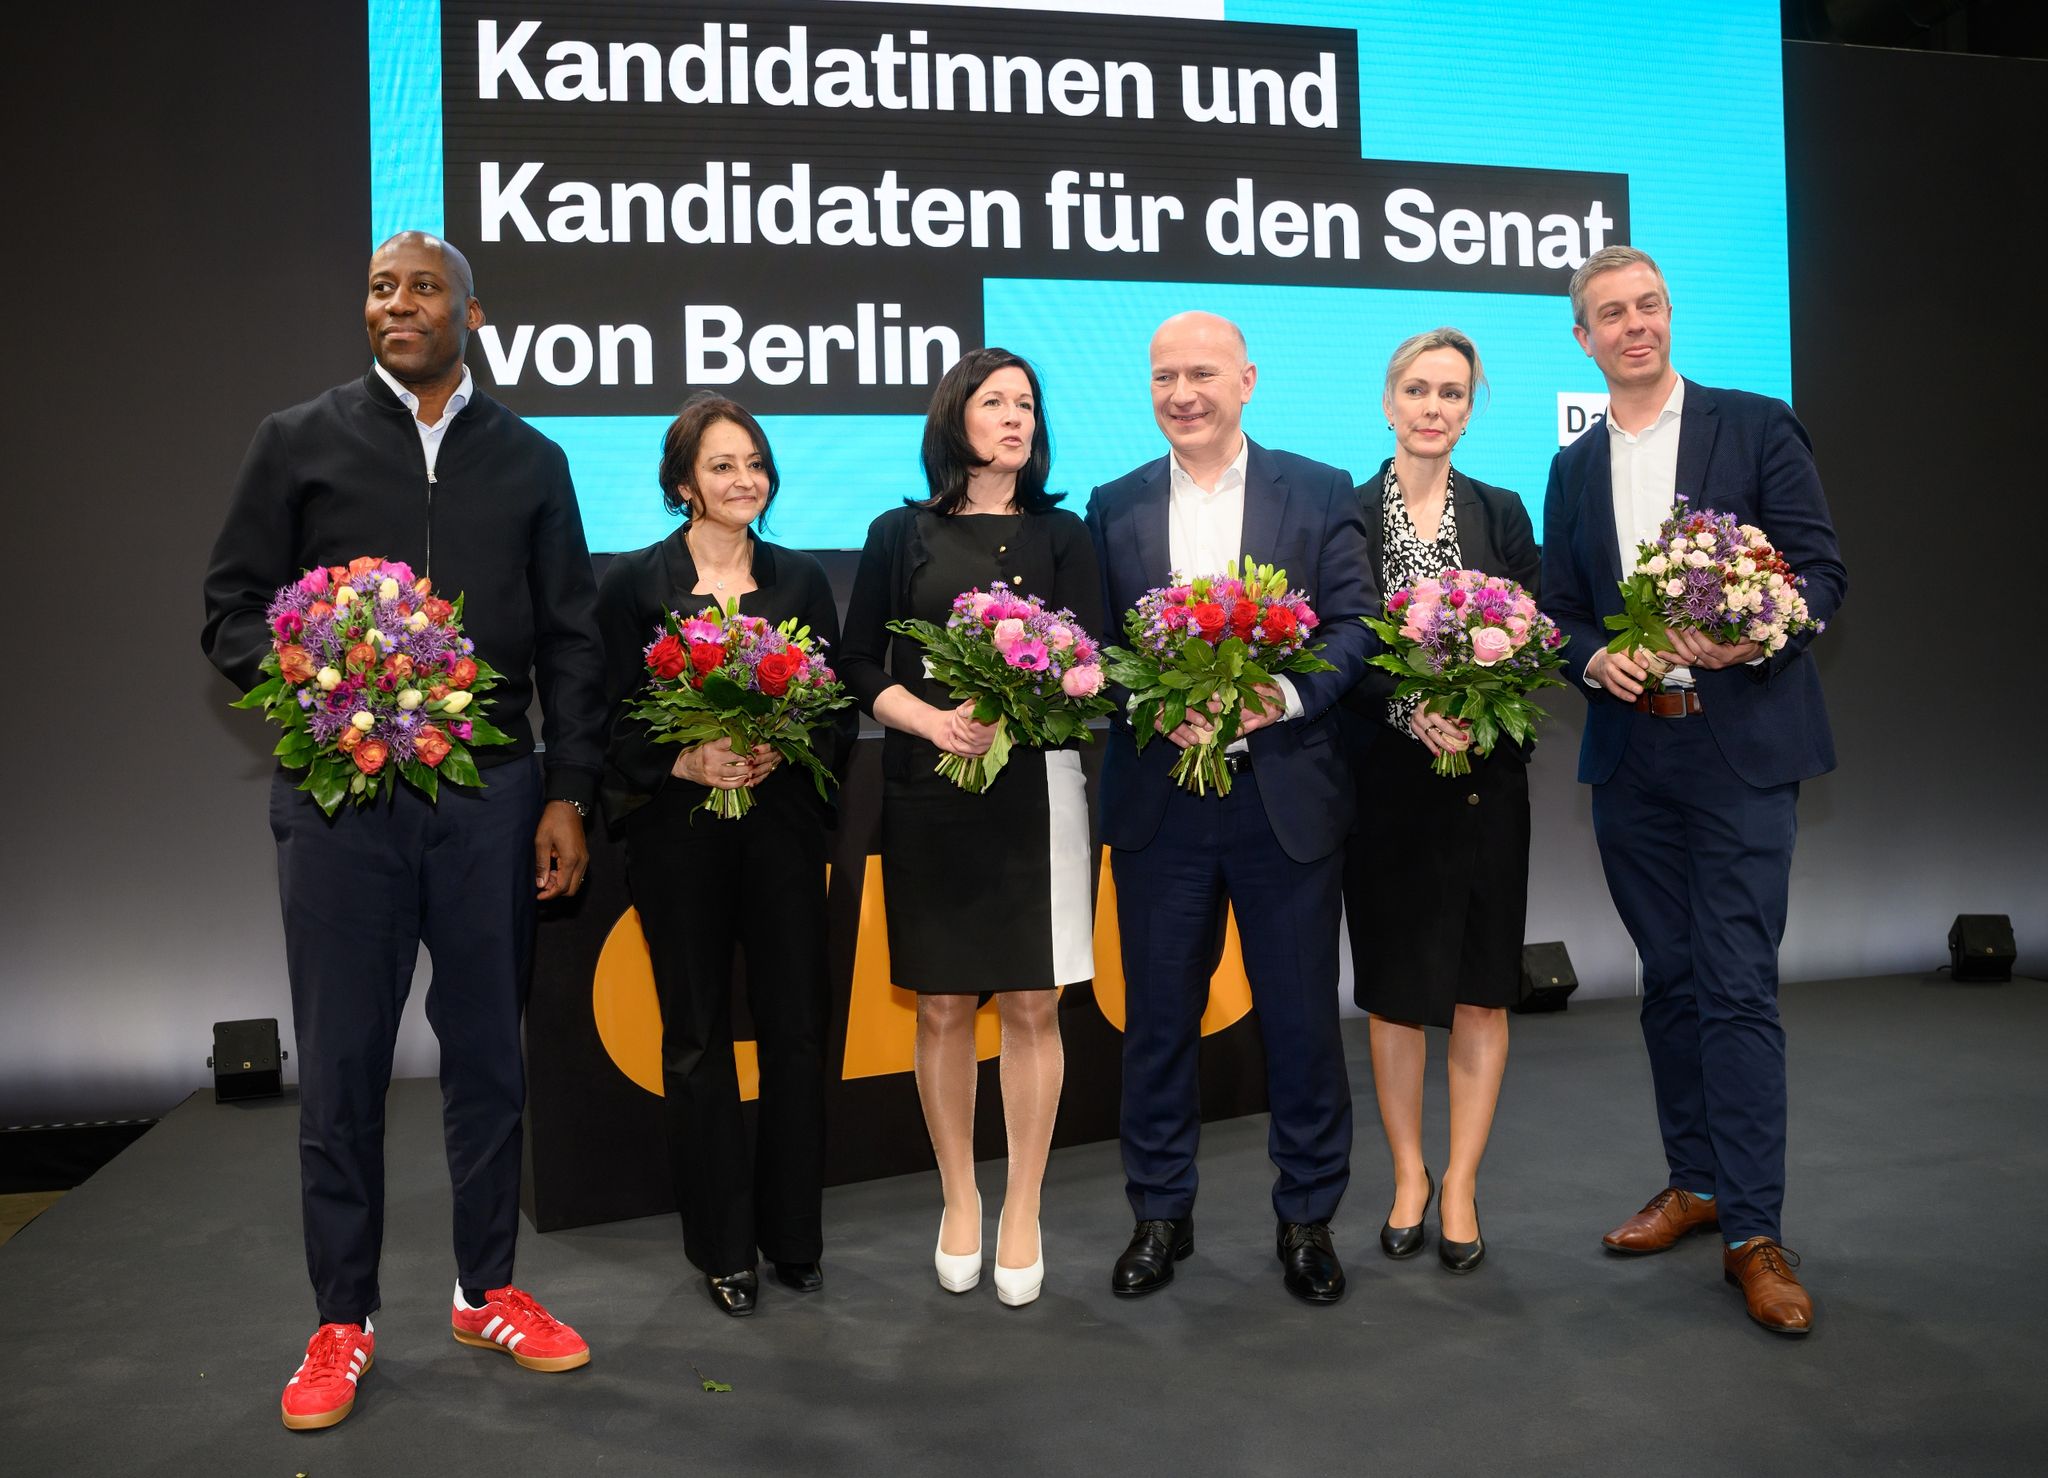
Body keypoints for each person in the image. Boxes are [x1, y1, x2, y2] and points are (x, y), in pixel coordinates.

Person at [202, 231, 606, 1429]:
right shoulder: (295, 439)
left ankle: (487, 1288)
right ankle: (342, 1318)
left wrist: (569, 792)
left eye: (423, 287)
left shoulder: (533, 457)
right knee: (338, 1066)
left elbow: (573, 637)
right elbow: (229, 611)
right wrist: (321, 686)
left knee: (487, 1057)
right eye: (380, 287)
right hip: (341, 801)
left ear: (470, 315)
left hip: (490, 797)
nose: (397, 303)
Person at [1541, 246, 1847, 1335]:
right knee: (1667, 982)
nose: (1636, 325)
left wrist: (1744, 629)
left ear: (1667, 315)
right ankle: (1697, 1180)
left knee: (1732, 984)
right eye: (1611, 314)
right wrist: (1591, 659)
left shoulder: (1754, 424)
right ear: (1581, 339)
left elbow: (1819, 575)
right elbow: (1560, 607)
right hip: (1633, 760)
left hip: (1738, 755)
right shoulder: (1572, 468)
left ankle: (1755, 1233)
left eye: (1649, 305)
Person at [1085, 312, 1375, 1305]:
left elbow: (1353, 627)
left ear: (1246, 378)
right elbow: (1091, 649)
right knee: (1156, 1023)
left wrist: (1279, 695)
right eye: (1163, 375)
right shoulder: (1111, 502)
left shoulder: (1319, 487)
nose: (1181, 392)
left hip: (1283, 798)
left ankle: (1306, 1220)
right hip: (1160, 804)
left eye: (1200, 372)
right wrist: (1151, 703)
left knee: (1299, 1025)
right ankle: (1158, 1214)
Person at [838, 348, 1104, 1308]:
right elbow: (859, 659)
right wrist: (931, 719)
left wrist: (1031, 700)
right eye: (995, 402)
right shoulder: (897, 533)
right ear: (955, 418)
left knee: (1035, 1003)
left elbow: (1098, 658)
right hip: (930, 786)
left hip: (1037, 789)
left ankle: (1023, 1205)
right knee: (945, 1005)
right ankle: (959, 1197)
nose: (1015, 417)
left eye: (1027, 403)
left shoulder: (1064, 534)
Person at [595, 394, 850, 1318]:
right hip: (679, 838)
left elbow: (833, 704)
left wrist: (786, 743)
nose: (744, 480)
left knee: (795, 1033)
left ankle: (793, 1238)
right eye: (721, 466)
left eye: (755, 463)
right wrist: (681, 757)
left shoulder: (802, 581)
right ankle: (721, 1245)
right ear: (682, 485)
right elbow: (603, 714)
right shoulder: (633, 586)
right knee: (698, 1039)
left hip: (780, 833)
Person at [1340, 328, 1535, 1275]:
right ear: (1388, 401)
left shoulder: (1502, 512)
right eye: (1417, 389)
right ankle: (1409, 1173)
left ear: (1469, 409)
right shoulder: (1342, 516)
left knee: (1480, 989)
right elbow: (1339, 649)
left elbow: (1536, 637)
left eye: (1452, 393)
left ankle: (1460, 1180)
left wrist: (1478, 707)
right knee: (1394, 993)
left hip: (1485, 787)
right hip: (1384, 785)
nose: (1433, 407)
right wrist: (1413, 711)